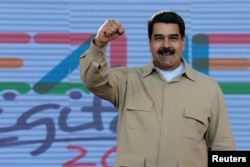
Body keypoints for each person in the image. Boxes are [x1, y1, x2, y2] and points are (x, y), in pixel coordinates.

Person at [80, 10, 235, 167]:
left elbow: (223, 147)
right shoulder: (126, 81)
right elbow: (93, 80)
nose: (166, 45)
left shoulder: (208, 89)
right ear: (149, 43)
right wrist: (99, 43)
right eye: (158, 38)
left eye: (173, 38)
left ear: (183, 42)